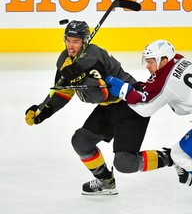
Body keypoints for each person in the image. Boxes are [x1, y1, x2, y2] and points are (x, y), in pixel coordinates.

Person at [25, 22, 174, 195]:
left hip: (131, 105)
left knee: (125, 163)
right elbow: (62, 91)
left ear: (85, 41)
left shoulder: (92, 58)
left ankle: (174, 158)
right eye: (68, 40)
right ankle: (106, 181)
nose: (71, 46)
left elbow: (101, 94)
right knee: (81, 142)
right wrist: (43, 111)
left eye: (76, 42)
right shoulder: (64, 60)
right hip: (108, 107)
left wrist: (80, 78)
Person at [105, 39, 192, 210]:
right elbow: (169, 93)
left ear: (164, 60)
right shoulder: (179, 59)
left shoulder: (166, 83)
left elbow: (145, 109)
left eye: (151, 62)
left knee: (179, 154)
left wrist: (125, 92)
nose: (147, 66)